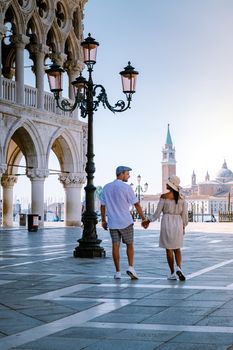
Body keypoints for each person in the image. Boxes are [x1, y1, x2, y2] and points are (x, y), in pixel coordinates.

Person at [100, 166, 148, 280]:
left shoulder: (106, 188)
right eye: (127, 174)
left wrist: (103, 220)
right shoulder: (127, 188)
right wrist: (143, 218)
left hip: (112, 222)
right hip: (126, 221)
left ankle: (117, 272)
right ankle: (131, 267)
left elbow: (102, 206)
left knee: (115, 246)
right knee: (130, 244)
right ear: (121, 174)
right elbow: (136, 204)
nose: (129, 176)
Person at [145, 175, 188, 281]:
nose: (166, 184)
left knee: (169, 249)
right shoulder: (182, 198)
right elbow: (185, 215)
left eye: (167, 183)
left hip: (167, 223)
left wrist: (148, 220)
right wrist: (183, 226)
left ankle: (173, 272)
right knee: (177, 248)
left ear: (171, 185)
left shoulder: (164, 196)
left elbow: (157, 214)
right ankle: (179, 268)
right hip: (178, 222)